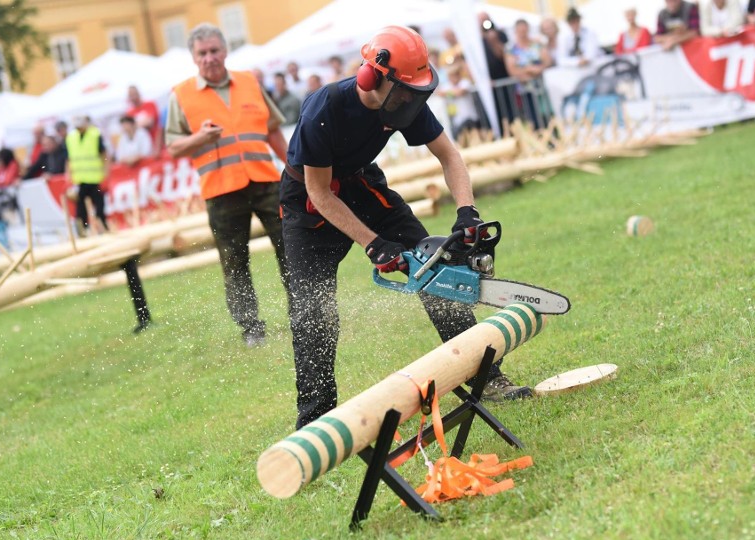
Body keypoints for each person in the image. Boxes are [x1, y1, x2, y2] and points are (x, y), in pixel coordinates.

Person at [280, 25, 532, 429]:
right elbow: (321, 193)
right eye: (403, 92)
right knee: (312, 312)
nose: (409, 101)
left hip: (364, 185)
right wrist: (374, 244)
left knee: (439, 270)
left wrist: (467, 211)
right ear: (372, 76)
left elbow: (449, 156)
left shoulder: (404, 102)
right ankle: (315, 422)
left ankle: (488, 380)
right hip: (309, 204)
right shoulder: (323, 108)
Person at [165, 23, 291, 347]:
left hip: (264, 180)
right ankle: (251, 328)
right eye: (202, 53)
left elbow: (273, 129)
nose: (209, 58)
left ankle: (303, 312)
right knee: (234, 262)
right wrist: (200, 138)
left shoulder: (249, 82)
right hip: (220, 190)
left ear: (225, 51)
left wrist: (294, 166)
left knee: (292, 247)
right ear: (194, 58)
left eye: (214, 51)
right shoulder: (181, 94)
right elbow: (174, 147)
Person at [504, 18, 553, 129]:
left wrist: (539, 69)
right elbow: (512, 70)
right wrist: (528, 70)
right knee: (533, 120)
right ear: (516, 31)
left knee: (549, 117)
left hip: (542, 88)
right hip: (525, 90)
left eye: (524, 30)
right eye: (520, 31)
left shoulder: (537, 44)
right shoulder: (511, 48)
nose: (523, 33)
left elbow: (548, 61)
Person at [65, 115, 110, 234]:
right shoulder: (71, 138)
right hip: (80, 180)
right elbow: (69, 158)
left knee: (99, 208)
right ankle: (82, 232)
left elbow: (104, 155)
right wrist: (68, 176)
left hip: (96, 178)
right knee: (80, 211)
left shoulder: (95, 135)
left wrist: (105, 173)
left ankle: (103, 230)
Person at [438, 63, 481, 141]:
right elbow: (440, 93)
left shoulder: (465, 83)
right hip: (457, 120)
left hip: (470, 117)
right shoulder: (447, 86)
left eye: (455, 74)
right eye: (451, 75)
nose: (454, 77)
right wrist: (450, 93)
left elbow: (459, 92)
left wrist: (448, 93)